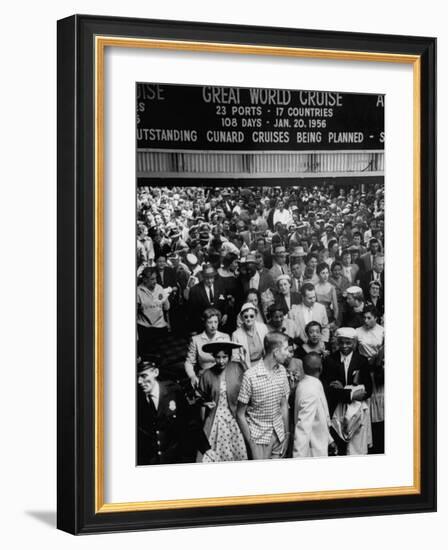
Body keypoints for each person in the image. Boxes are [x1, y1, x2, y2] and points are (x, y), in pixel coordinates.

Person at [137, 360, 210, 464]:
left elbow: (191, 422)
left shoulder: (173, 391)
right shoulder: (136, 399)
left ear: (155, 373)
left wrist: (206, 449)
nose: (139, 381)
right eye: (137, 377)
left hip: (175, 459)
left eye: (144, 376)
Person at [236, 331, 291, 460]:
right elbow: (239, 414)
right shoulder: (250, 376)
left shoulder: (282, 371)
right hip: (258, 438)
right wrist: (251, 441)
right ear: (276, 352)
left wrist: (286, 433)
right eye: (286, 349)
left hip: (279, 434)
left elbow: (283, 405)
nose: (288, 353)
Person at [322, 327, 373, 455]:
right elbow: (328, 390)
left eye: (348, 343)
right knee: (340, 447)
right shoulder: (330, 360)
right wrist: (351, 392)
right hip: (336, 411)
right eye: (341, 343)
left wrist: (343, 388)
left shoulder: (361, 360)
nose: (344, 346)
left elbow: (368, 390)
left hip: (357, 412)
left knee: (357, 446)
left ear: (354, 343)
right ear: (337, 342)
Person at [198, 342, 248, 462]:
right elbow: (200, 398)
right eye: (218, 357)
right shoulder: (206, 374)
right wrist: (204, 404)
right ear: (214, 357)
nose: (221, 361)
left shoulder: (238, 368)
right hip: (216, 418)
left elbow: (248, 388)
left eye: (224, 357)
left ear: (229, 357)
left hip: (235, 416)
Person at [293, 352, 336, 458]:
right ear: (321, 368)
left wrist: (329, 440)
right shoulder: (310, 391)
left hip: (320, 444)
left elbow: (321, 416)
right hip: (312, 451)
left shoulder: (308, 383)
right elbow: (302, 428)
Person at [356, 305, 385, 454]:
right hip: (364, 371)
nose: (366, 320)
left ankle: (381, 441)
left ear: (376, 318)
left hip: (378, 371)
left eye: (369, 318)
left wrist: (378, 360)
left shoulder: (382, 331)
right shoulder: (358, 332)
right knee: (368, 405)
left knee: (381, 405)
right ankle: (369, 443)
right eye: (364, 317)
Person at [184, 308, 231, 386]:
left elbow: (230, 360)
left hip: (223, 376)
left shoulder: (225, 337)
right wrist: (192, 376)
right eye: (210, 322)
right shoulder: (196, 340)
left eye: (215, 322)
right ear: (205, 323)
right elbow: (189, 362)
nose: (213, 326)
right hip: (205, 377)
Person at [136, 267, 170, 358]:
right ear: (144, 280)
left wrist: (168, 323)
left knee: (161, 353)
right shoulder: (138, 291)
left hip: (160, 326)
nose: (155, 281)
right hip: (145, 328)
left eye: (155, 278)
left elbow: (166, 307)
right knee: (147, 354)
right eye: (152, 279)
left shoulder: (159, 288)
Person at [188, 264, 227, 333]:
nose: (209, 281)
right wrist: (193, 329)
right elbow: (192, 312)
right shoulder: (195, 290)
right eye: (207, 278)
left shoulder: (221, 286)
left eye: (211, 277)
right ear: (203, 276)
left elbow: (224, 302)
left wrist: (225, 314)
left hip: (219, 326)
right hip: (202, 327)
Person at [232, 302, 268, 370]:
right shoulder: (236, 334)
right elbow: (235, 358)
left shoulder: (263, 328)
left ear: (256, 316)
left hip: (263, 365)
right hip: (246, 368)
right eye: (246, 316)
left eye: (251, 316)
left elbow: (268, 348)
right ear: (242, 318)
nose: (249, 319)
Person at [314, 262, 339, 327]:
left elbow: (335, 307)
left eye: (327, 273)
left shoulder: (332, 287)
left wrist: (334, 320)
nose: (326, 276)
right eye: (323, 273)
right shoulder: (314, 287)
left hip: (329, 316)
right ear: (318, 274)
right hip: (317, 316)